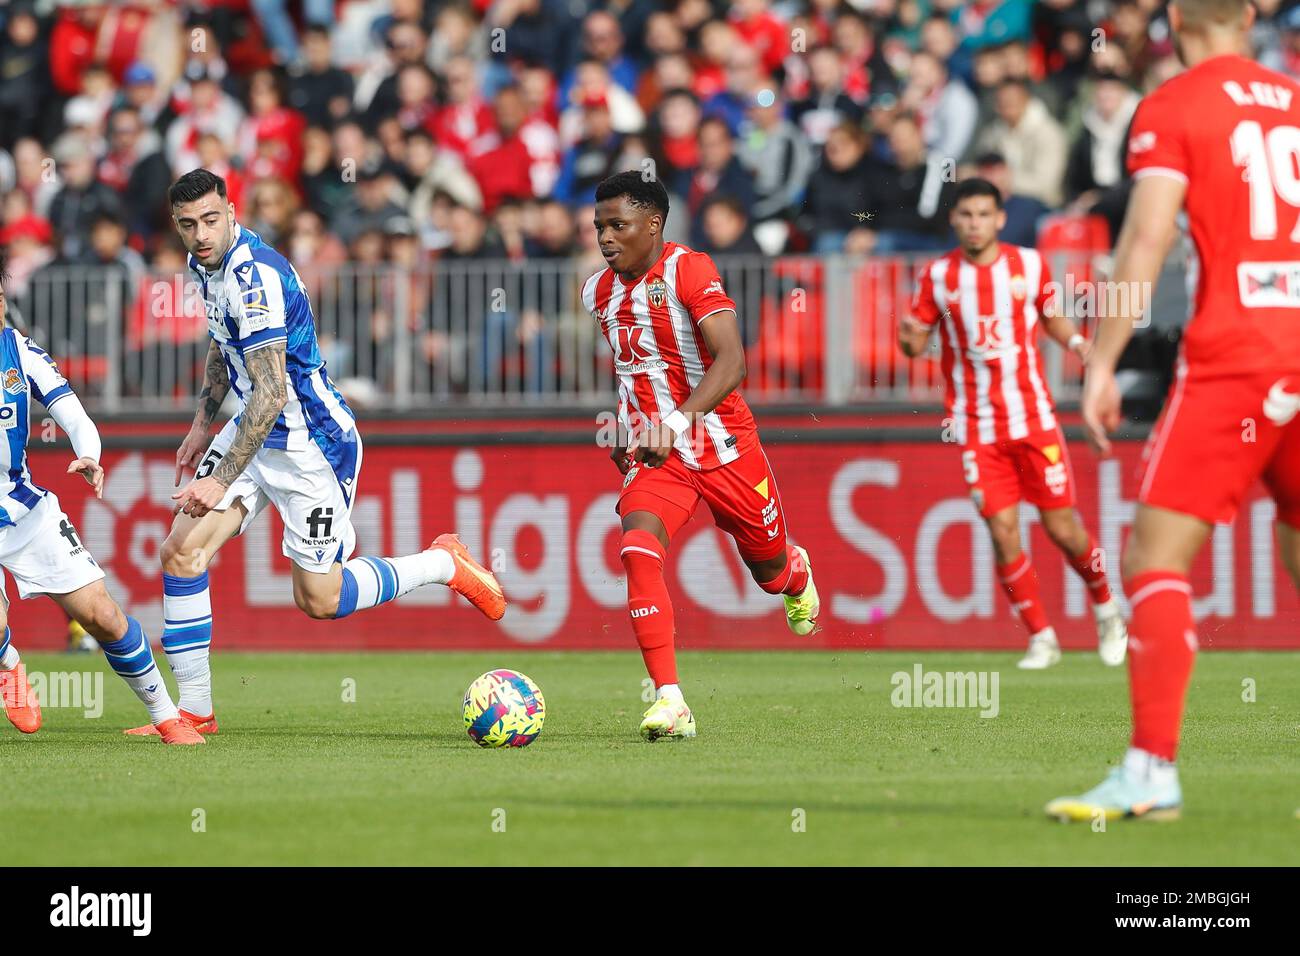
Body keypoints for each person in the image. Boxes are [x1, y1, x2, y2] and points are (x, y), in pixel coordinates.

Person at [123, 169, 506, 738]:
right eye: (187, 225)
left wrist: (216, 479)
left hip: (309, 444)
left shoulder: (256, 278)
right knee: (180, 552)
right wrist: (205, 421)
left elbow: (275, 393)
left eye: (210, 219)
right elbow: (222, 343)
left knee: (319, 600)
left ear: (232, 210)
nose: (201, 234)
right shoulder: (204, 267)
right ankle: (196, 712)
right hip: (251, 430)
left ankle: (443, 563)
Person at [1055, 0, 1300, 822]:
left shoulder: (1174, 104)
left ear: (1171, 15)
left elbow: (1146, 237)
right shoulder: (1295, 95)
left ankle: (1152, 771)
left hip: (1236, 356)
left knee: (1152, 559)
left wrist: (1105, 357)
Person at [583, 171, 820, 741]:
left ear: (654, 224)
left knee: (767, 570)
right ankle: (670, 700)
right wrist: (624, 425)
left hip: (724, 447)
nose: (607, 237)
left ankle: (796, 574)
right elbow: (633, 368)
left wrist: (672, 421)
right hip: (660, 457)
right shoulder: (595, 290)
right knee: (637, 548)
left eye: (619, 225)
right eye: (599, 227)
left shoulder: (690, 268)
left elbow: (733, 362)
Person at [899, 178, 1128, 670]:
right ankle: (1042, 636)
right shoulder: (939, 276)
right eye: (966, 215)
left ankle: (1108, 609)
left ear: (1000, 219)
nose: (975, 223)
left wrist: (1079, 346)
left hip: (1034, 420)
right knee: (1003, 532)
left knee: (1063, 530)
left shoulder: (1028, 263)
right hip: (976, 427)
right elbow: (914, 341)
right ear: (954, 220)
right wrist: (908, 339)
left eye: (984, 214)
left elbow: (1052, 317)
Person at [0, 257, 204, 744]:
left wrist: (89, 453)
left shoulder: (20, 353)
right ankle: (9, 667)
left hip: (24, 510)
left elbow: (72, 414)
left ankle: (166, 714)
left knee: (103, 615)